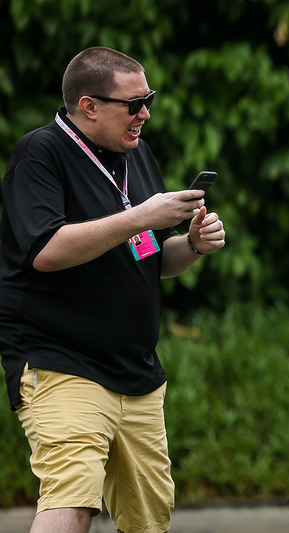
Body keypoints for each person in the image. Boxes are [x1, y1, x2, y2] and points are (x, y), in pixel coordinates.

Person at [0, 47, 225, 533]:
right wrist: (142, 214)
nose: (145, 113)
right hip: (59, 361)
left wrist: (192, 244)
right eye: (134, 103)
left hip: (137, 372)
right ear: (89, 106)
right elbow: (47, 251)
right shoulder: (39, 153)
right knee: (72, 496)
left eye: (149, 100)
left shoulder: (136, 153)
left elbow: (153, 260)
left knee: (148, 520)